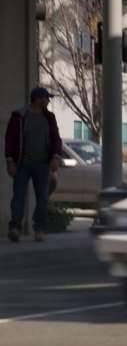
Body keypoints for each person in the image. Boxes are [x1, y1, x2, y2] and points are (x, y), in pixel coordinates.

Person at [5, 88, 63, 243]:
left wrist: (55, 157)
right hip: (22, 163)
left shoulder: (49, 118)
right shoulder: (19, 116)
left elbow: (56, 139)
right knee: (18, 197)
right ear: (37, 99)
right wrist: (10, 161)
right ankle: (15, 228)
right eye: (46, 98)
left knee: (43, 198)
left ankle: (40, 229)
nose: (48, 101)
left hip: (43, 164)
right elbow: (9, 140)